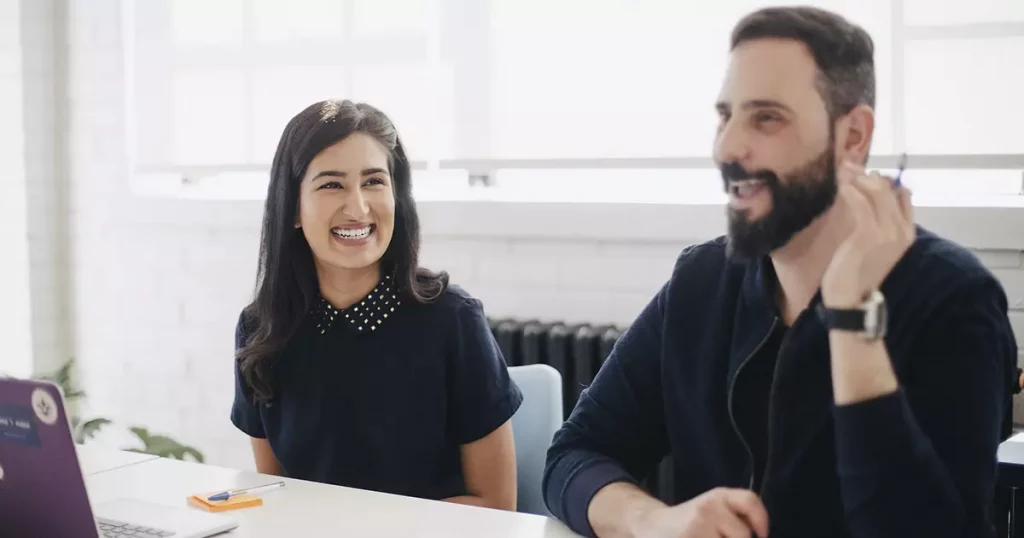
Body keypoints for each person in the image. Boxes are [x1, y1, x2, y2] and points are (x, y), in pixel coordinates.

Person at [543, 6, 1017, 538]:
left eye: (767, 117)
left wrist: (853, 317)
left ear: (854, 136)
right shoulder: (702, 281)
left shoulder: (954, 300)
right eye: (726, 116)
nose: (728, 147)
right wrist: (653, 520)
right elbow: (575, 454)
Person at [231, 99, 522, 510]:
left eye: (373, 182)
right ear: (293, 207)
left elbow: (496, 505)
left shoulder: (451, 320)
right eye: (332, 184)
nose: (358, 208)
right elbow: (278, 496)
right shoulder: (262, 327)